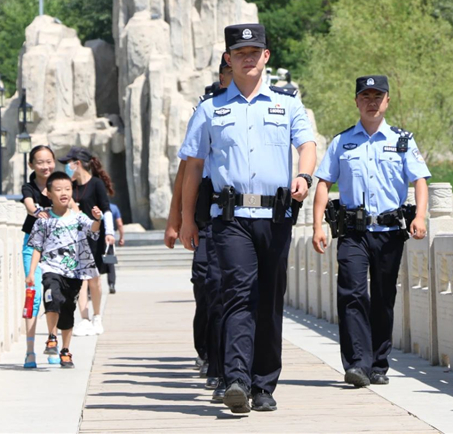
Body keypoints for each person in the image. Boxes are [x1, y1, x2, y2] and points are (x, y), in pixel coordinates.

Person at [179, 23, 316, 413]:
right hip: (230, 217)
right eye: (240, 53)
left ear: (266, 57)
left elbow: (307, 145)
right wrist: (189, 219)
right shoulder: (210, 110)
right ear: (228, 59)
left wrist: (304, 176)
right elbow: (193, 168)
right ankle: (237, 378)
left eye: (255, 52)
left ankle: (263, 384)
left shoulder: (287, 104)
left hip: (274, 216)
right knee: (238, 294)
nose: (248, 58)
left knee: (270, 301)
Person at [312, 75, 430, 388]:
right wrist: (316, 225)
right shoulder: (342, 142)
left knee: (382, 297)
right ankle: (356, 365)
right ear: (356, 101)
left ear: (388, 101)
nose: (372, 102)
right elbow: (323, 181)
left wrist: (420, 216)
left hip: (390, 232)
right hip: (353, 232)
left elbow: (420, 180)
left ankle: (378, 363)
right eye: (366, 96)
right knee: (351, 293)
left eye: (378, 96)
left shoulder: (402, 140)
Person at [165, 55, 233, 402]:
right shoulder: (207, 112)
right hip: (207, 216)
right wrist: (176, 219)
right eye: (227, 73)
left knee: (227, 294)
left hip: (240, 218)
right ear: (222, 76)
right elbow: (186, 172)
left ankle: (227, 367)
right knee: (208, 290)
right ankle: (209, 354)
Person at [26, 171, 103, 368]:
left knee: (68, 310)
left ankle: (65, 351)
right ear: (48, 193)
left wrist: (97, 219)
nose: (64, 193)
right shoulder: (43, 220)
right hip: (51, 268)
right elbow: (37, 247)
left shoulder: (78, 217)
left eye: (68, 189)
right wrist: (31, 273)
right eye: (58, 189)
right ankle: (52, 337)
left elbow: (93, 231)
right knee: (52, 298)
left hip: (74, 272)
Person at [58, 147, 116, 336]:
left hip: (95, 237)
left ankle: (97, 316)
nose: (67, 167)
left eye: (69, 163)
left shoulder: (96, 184)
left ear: (78, 163)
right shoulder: (70, 186)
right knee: (80, 279)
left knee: (94, 280)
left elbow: (106, 209)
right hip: (75, 239)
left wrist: (109, 232)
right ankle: (84, 318)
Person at [20, 145, 56, 368]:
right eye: (40, 162)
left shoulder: (60, 184)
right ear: (32, 165)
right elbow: (29, 205)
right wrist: (37, 212)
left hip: (56, 247)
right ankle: (30, 351)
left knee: (55, 295)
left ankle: (53, 343)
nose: (46, 166)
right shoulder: (29, 187)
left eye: (49, 161)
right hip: (31, 246)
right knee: (33, 294)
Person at [106, 203, 124, 294]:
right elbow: (119, 224)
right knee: (110, 263)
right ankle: (111, 284)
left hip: (96, 239)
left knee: (93, 264)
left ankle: (90, 290)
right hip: (109, 240)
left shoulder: (95, 207)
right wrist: (121, 237)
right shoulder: (114, 207)